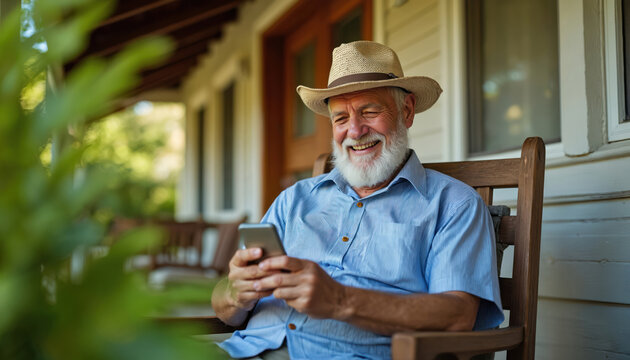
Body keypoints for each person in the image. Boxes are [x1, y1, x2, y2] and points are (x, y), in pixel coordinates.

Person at [211, 41, 503, 359]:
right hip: (241, 349)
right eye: (340, 119)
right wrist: (236, 294)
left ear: (407, 111)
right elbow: (224, 308)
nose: (355, 130)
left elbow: (458, 315)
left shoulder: (453, 205)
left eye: (369, 112)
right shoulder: (293, 200)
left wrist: (339, 299)